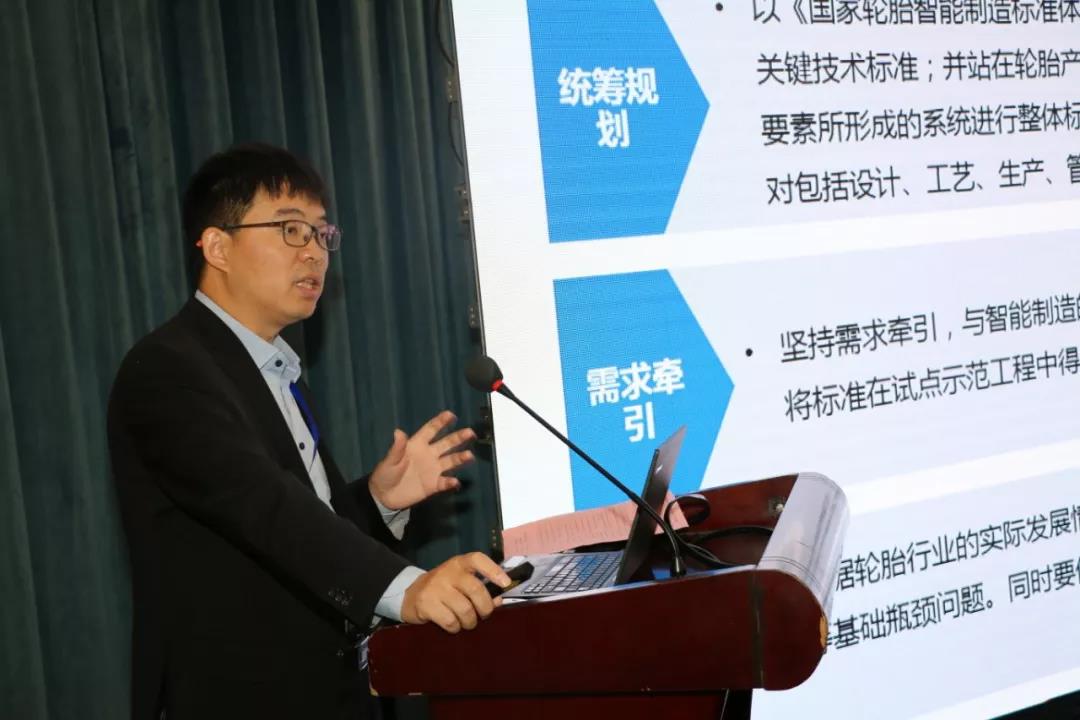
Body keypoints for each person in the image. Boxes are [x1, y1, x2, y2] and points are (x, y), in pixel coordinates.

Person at [107, 143, 510, 720]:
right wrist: (409, 589)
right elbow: (263, 508)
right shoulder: (167, 370)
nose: (315, 252)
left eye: (322, 233)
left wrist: (378, 501)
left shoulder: (277, 367)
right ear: (217, 247)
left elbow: (310, 526)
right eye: (290, 229)